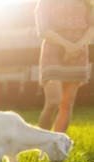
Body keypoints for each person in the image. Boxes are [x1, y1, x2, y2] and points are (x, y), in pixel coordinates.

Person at [35, 0, 93, 133]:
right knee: (53, 101)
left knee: (67, 104)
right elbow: (43, 30)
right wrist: (68, 46)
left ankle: (58, 145)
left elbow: (92, 26)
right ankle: (42, 145)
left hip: (79, 51)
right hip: (53, 51)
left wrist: (77, 47)